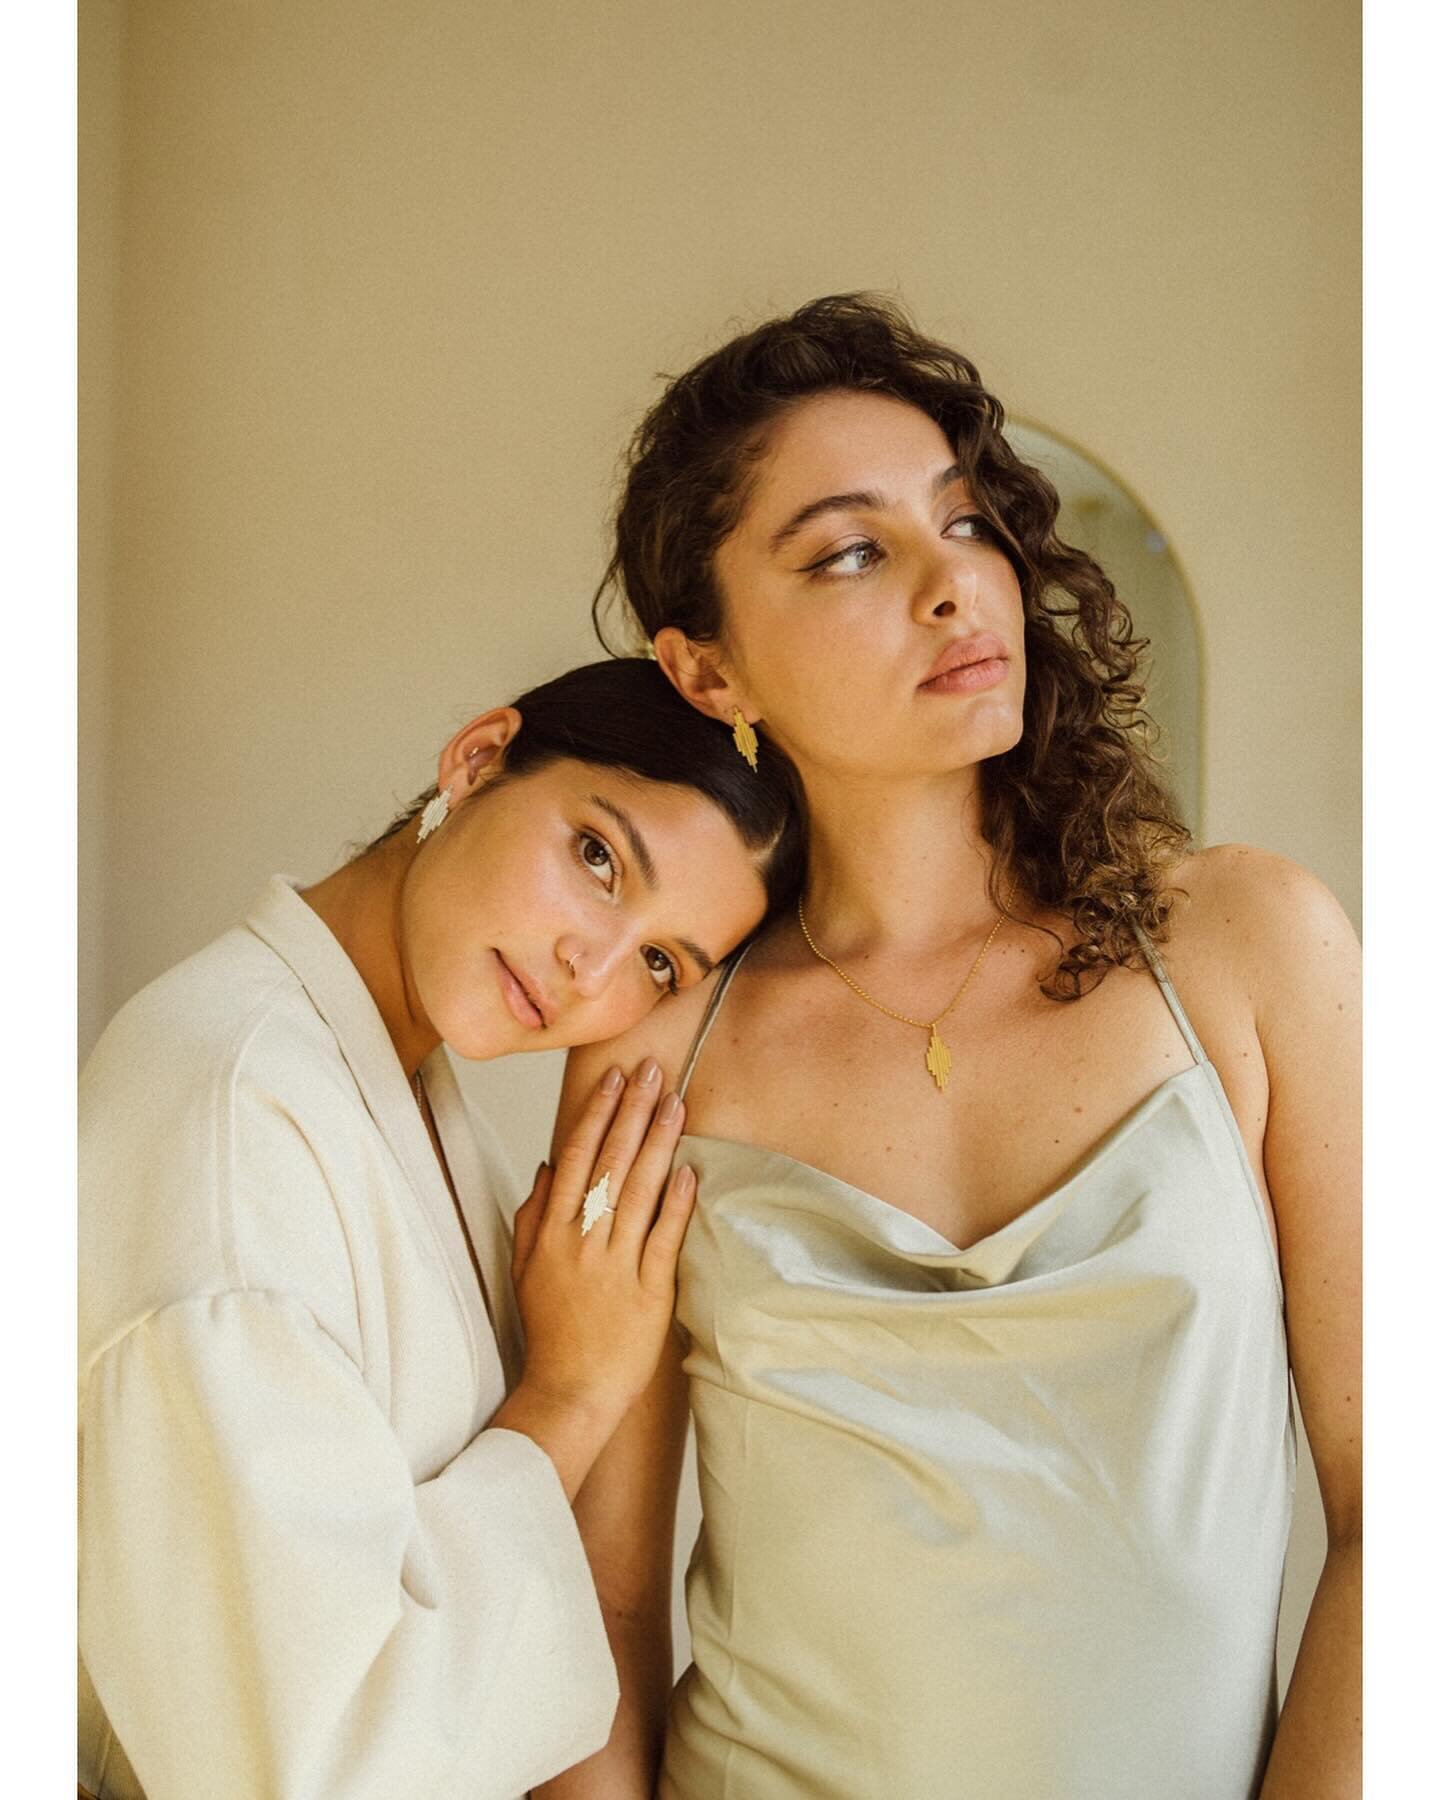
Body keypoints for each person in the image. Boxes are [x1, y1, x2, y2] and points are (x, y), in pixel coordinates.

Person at [542, 297, 1360, 1799]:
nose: (950, 586)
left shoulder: (1250, 947)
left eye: (968, 524)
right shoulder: (657, 1046)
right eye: (851, 550)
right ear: (709, 672)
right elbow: (591, 1602)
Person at [78, 657, 806, 1800]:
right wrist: (568, 1395)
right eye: (599, 857)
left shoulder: (392, 1091)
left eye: (661, 963)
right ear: (475, 760)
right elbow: (306, 1765)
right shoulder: (233, 1115)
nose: (592, 967)